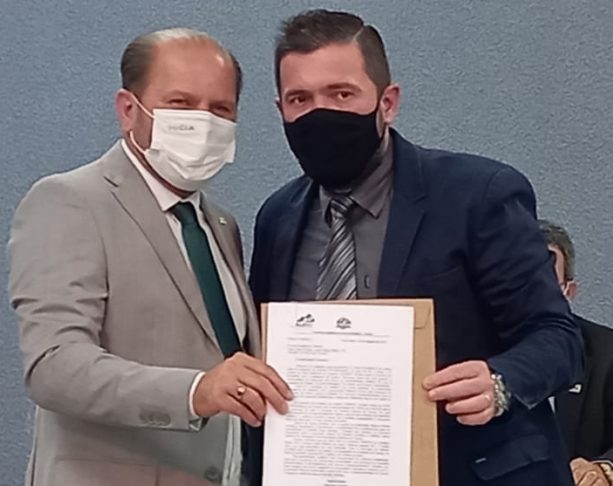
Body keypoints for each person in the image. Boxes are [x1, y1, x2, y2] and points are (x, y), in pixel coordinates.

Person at [248, 9, 583, 486]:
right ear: (280, 108)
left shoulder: (478, 194)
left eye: (342, 94)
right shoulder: (277, 217)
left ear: (387, 103)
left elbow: (559, 338)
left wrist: (499, 381)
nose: (320, 114)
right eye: (300, 98)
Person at [7, 28, 292, 486]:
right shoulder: (69, 202)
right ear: (128, 109)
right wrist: (195, 391)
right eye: (181, 103)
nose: (203, 122)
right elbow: (54, 366)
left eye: (220, 109)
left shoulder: (220, 226)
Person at [540, 219, 613, 486]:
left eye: (547, 285)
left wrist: (605, 471)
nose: (534, 298)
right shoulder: (472, 351)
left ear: (568, 292)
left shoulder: (609, 352)